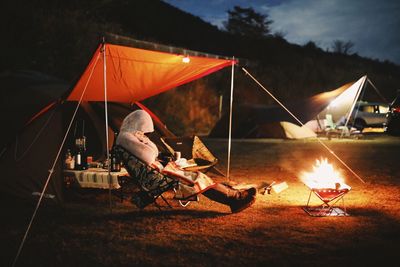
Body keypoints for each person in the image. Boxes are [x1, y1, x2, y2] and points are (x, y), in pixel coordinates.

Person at [116, 110, 257, 213]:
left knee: (199, 177)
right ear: (140, 124)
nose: (146, 135)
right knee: (198, 179)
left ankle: (233, 196)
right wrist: (147, 143)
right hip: (156, 177)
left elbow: (150, 154)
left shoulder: (130, 137)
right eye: (145, 131)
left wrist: (145, 142)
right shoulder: (127, 138)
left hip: (158, 171)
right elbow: (148, 156)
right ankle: (235, 198)